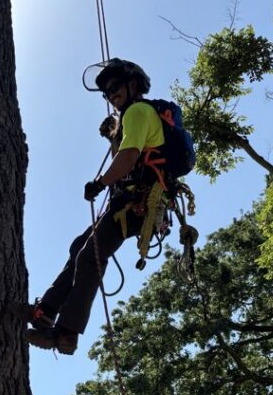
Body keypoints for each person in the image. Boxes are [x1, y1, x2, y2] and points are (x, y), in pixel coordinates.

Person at [15, 58, 165, 355]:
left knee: (89, 257)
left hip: (139, 203)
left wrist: (101, 182)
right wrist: (114, 135)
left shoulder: (138, 111)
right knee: (80, 248)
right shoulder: (132, 117)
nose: (111, 94)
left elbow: (129, 157)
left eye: (114, 87)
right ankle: (45, 311)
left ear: (133, 85)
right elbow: (127, 152)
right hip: (129, 203)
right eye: (106, 92)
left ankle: (66, 335)